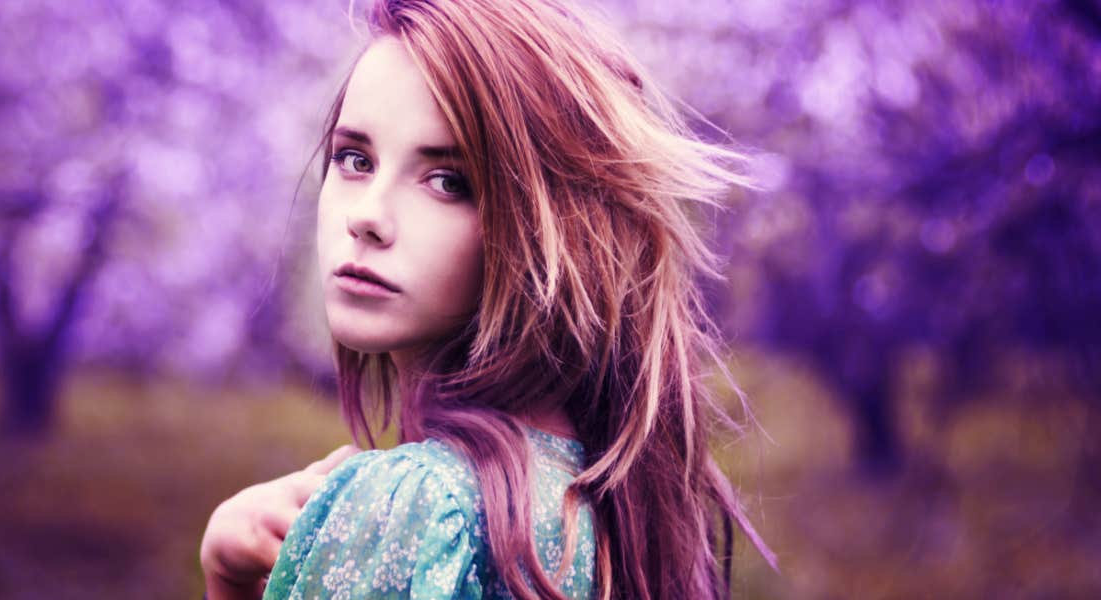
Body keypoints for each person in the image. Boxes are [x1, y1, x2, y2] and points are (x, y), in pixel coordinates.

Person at [199, 0, 776, 598]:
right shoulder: (598, 506)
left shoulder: (420, 504)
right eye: (355, 160)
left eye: (449, 181)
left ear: (549, 225)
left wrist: (224, 584)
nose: (366, 216)